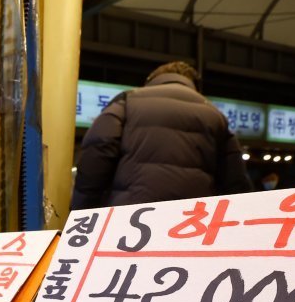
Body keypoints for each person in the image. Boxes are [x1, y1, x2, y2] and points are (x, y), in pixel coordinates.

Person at [71, 62, 251, 209]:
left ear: (151, 80)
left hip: (129, 219)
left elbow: (98, 152)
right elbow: (236, 182)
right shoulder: (215, 115)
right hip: (192, 223)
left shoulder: (127, 102)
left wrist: (80, 211)